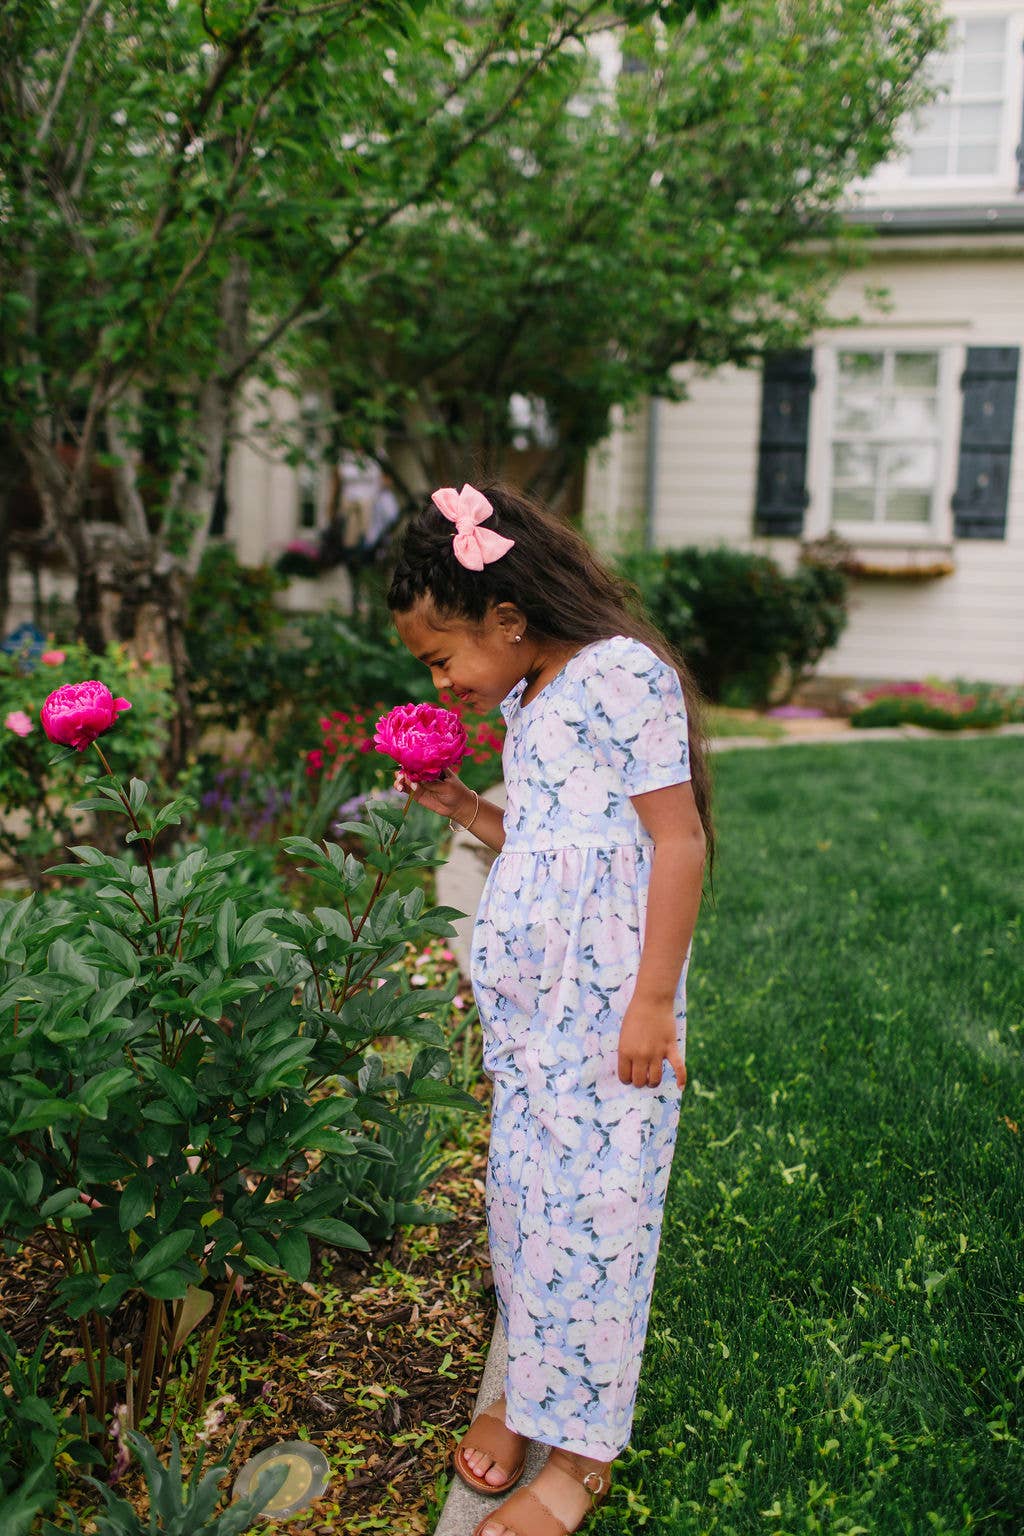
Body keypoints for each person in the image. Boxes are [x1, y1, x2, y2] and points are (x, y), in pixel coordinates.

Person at [387, 481, 713, 1536]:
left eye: (442, 658)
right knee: (527, 1217)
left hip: (610, 1028)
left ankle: (581, 1456)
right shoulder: (530, 704)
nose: (441, 682)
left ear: (509, 619)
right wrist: (462, 808)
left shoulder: (621, 676)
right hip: (531, 1034)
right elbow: (542, 846)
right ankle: (531, 1391)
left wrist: (651, 1004)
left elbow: (676, 840)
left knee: (599, 1224)